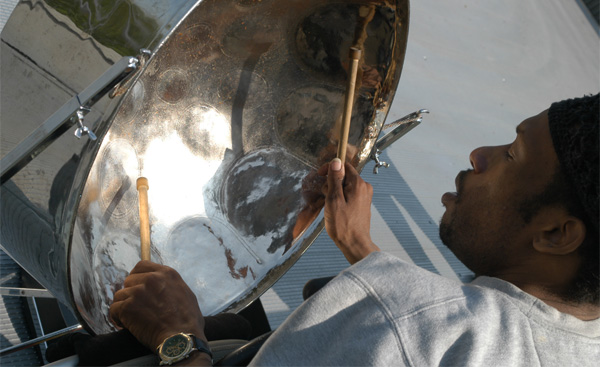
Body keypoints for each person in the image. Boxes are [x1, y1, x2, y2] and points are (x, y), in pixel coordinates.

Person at [109, 94, 599, 366]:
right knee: (238, 324)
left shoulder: (402, 327)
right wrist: (364, 251)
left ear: (557, 235)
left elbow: (413, 331)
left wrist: (179, 341)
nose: (480, 155)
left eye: (512, 156)